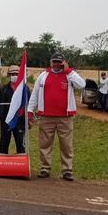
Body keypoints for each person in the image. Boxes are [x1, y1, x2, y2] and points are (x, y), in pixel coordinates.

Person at [27, 52, 86, 182]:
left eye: (59, 62)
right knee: (45, 143)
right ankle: (45, 168)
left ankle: (67, 170)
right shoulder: (43, 76)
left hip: (64, 117)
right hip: (46, 116)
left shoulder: (70, 75)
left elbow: (82, 85)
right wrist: (30, 110)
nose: (56, 64)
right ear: (50, 62)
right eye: (54, 61)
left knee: (66, 145)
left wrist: (69, 71)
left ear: (63, 62)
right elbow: (35, 94)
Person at [0, 65, 30, 154]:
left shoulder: (25, 89)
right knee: (3, 143)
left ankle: (22, 164)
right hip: (6, 120)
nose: (14, 75)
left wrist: (29, 119)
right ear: (9, 75)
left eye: (16, 74)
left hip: (20, 120)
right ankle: (1, 163)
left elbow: (29, 105)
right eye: (12, 74)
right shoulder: (3, 89)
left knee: (20, 144)